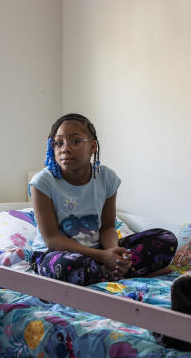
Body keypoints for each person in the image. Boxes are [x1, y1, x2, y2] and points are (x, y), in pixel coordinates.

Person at [29, 113, 177, 286]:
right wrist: (103, 257)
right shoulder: (43, 182)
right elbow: (52, 239)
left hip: (98, 251)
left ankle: (110, 271)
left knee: (166, 238)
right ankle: (126, 273)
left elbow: (107, 227)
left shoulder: (106, 178)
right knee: (69, 266)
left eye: (75, 141)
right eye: (58, 143)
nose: (65, 148)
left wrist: (114, 252)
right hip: (54, 254)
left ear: (93, 147)